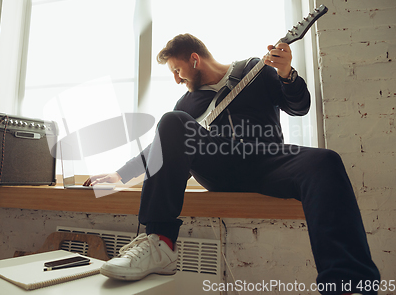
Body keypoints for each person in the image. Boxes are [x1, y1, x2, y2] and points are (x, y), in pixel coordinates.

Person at [84, 34, 380, 294]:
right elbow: (161, 149)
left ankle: (349, 286)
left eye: (177, 70)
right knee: (171, 121)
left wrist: (287, 73)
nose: (177, 80)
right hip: (220, 169)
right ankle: (160, 244)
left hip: (268, 162)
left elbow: (299, 106)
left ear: (195, 59)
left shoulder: (254, 69)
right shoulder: (186, 105)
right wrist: (120, 175)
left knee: (326, 160)